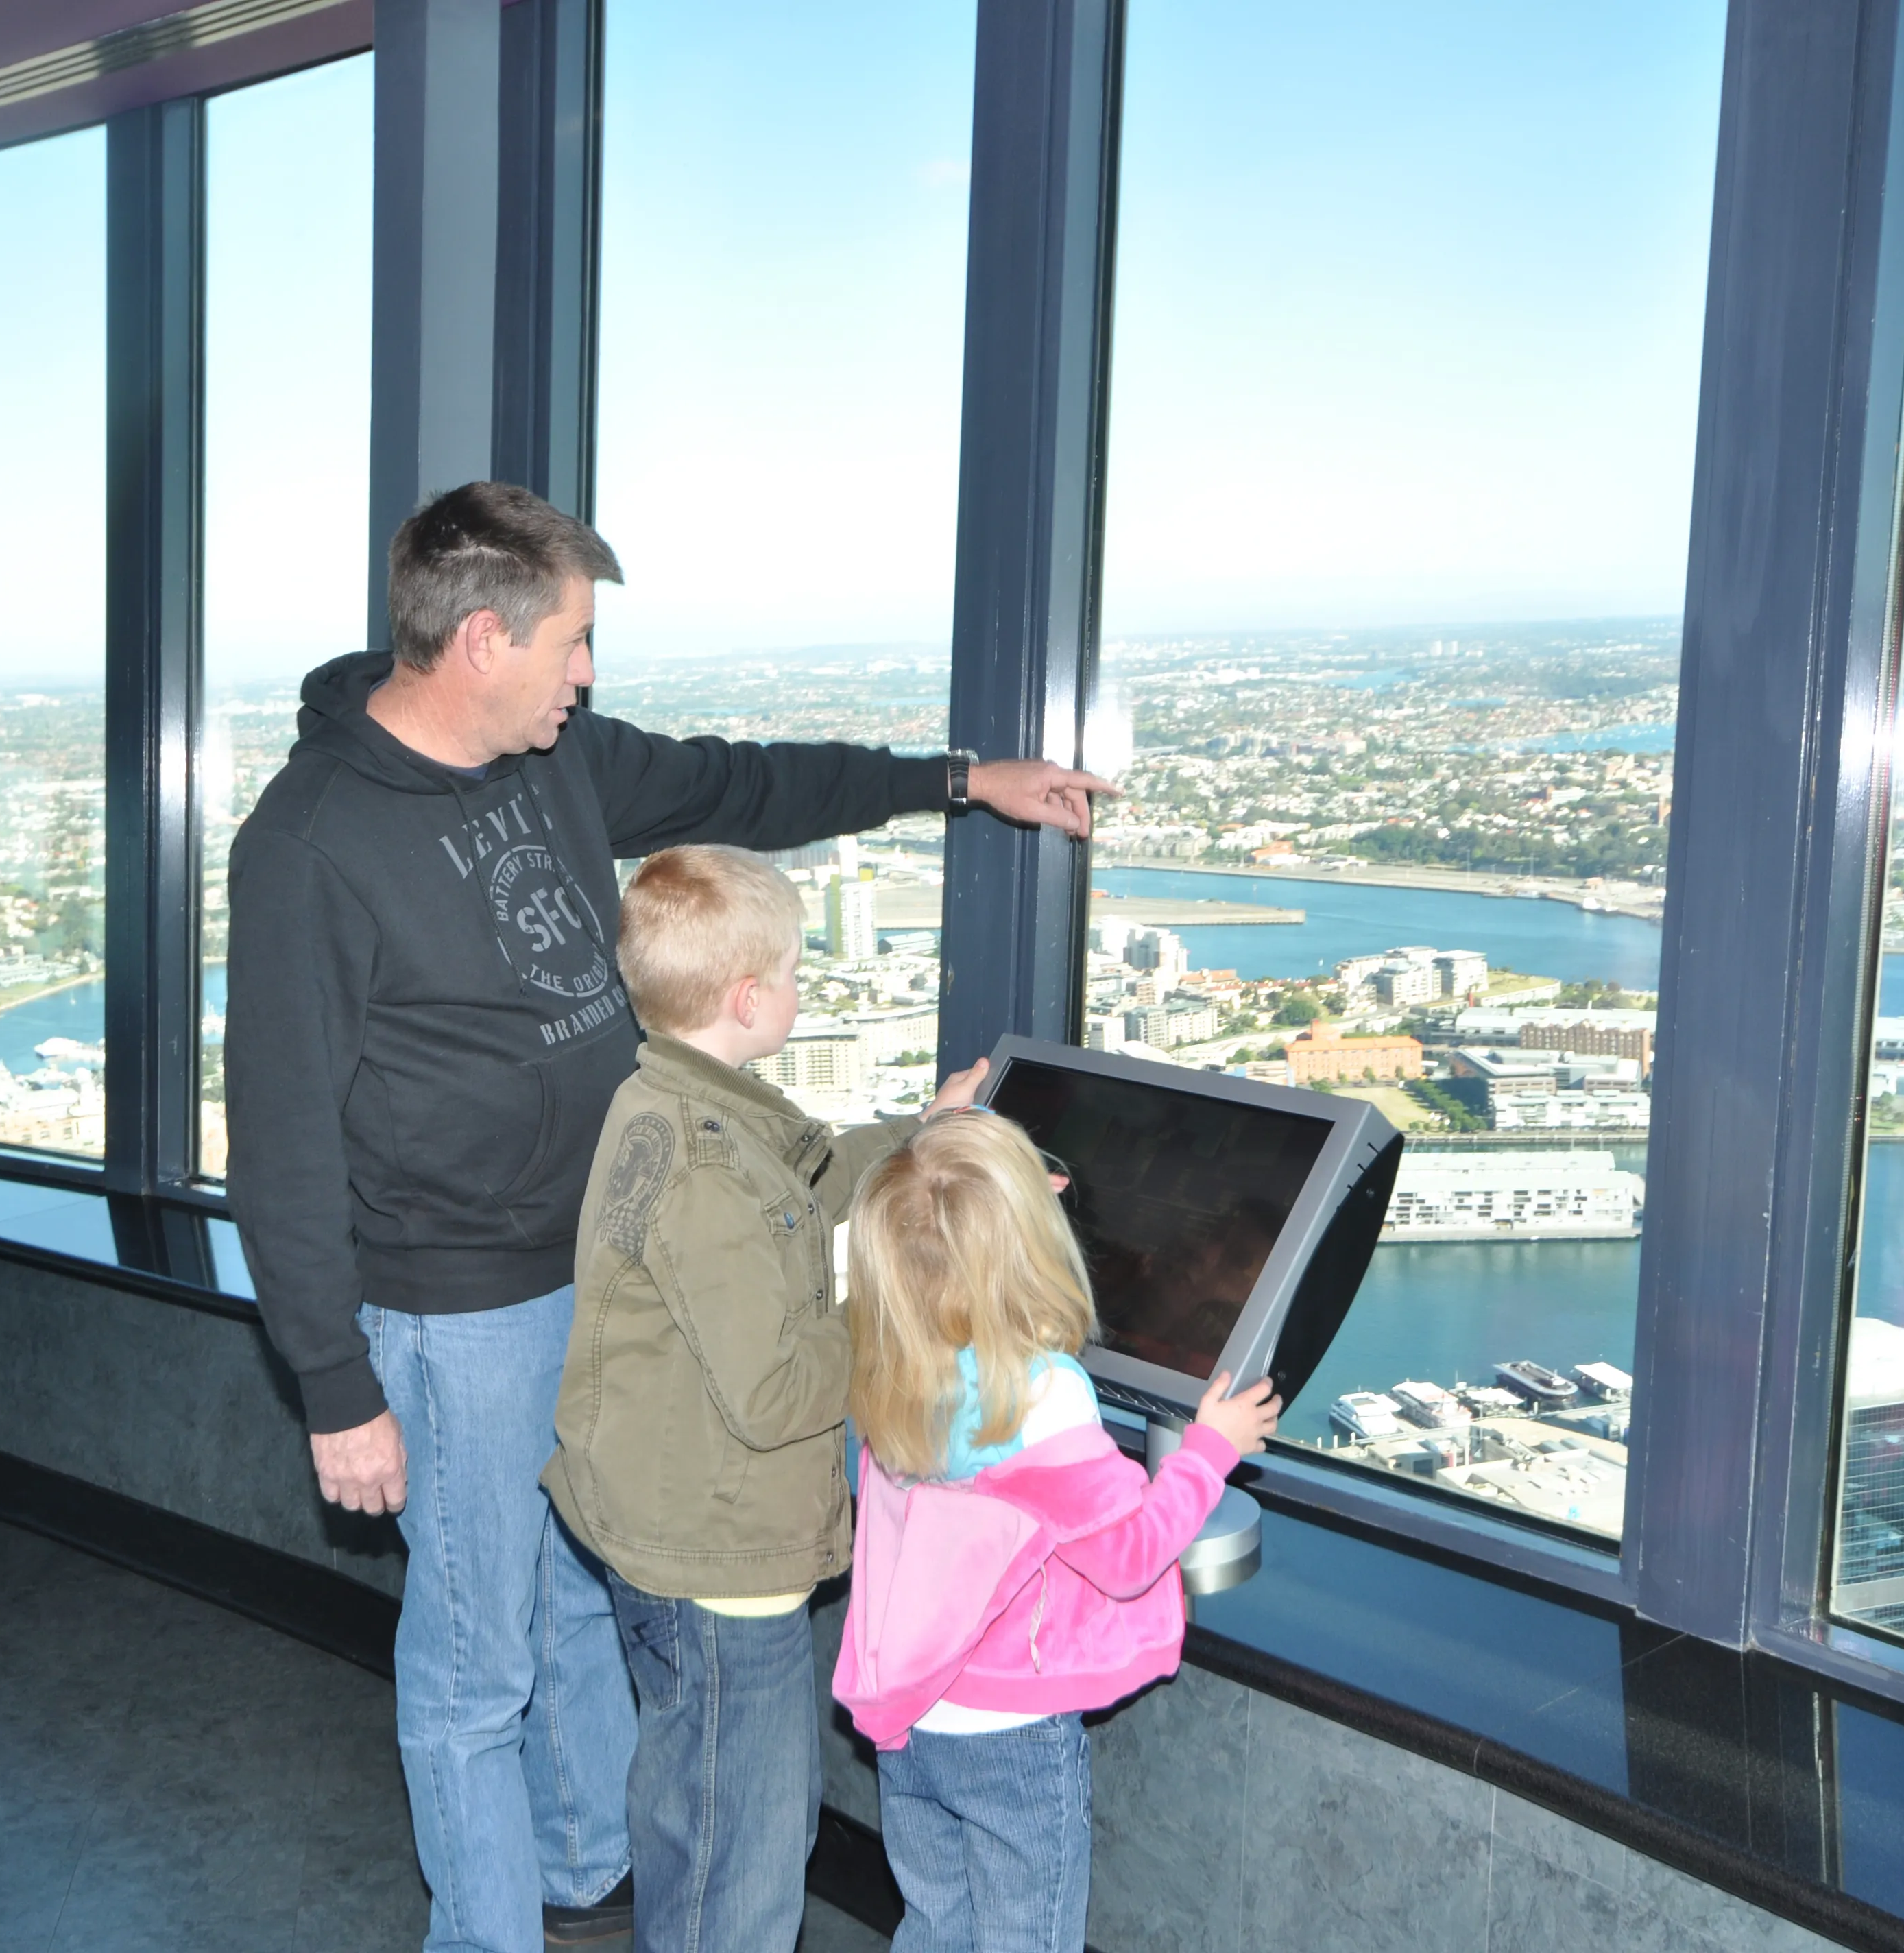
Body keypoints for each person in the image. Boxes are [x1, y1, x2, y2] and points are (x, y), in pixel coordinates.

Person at [224, 480, 1111, 1953]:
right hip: (459, 1313)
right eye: (572, 640)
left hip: (609, 1264)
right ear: (483, 640)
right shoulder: (310, 844)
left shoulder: (555, 759)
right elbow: (280, 1140)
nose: (586, 672)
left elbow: (743, 785)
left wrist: (964, 780)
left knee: (585, 1600)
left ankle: (578, 1880)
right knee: (472, 1668)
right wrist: (337, 1387)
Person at [542, 845, 985, 1952]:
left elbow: (813, 1174)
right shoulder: (700, 1164)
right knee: (737, 1863)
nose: (801, 989)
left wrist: (922, 1136)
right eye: (792, 972)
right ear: (748, 999)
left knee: (692, 1811)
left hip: (668, 1538)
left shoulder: (675, 1101)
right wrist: (908, 1317)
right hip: (721, 1572)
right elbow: (778, 1385)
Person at [830, 1112, 1281, 1953]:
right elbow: (1130, 1555)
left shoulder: (892, 1367)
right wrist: (1211, 1450)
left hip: (914, 1722)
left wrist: (992, 1207)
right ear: (1030, 1249)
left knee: (935, 1925)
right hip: (1010, 1735)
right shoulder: (1042, 1398)